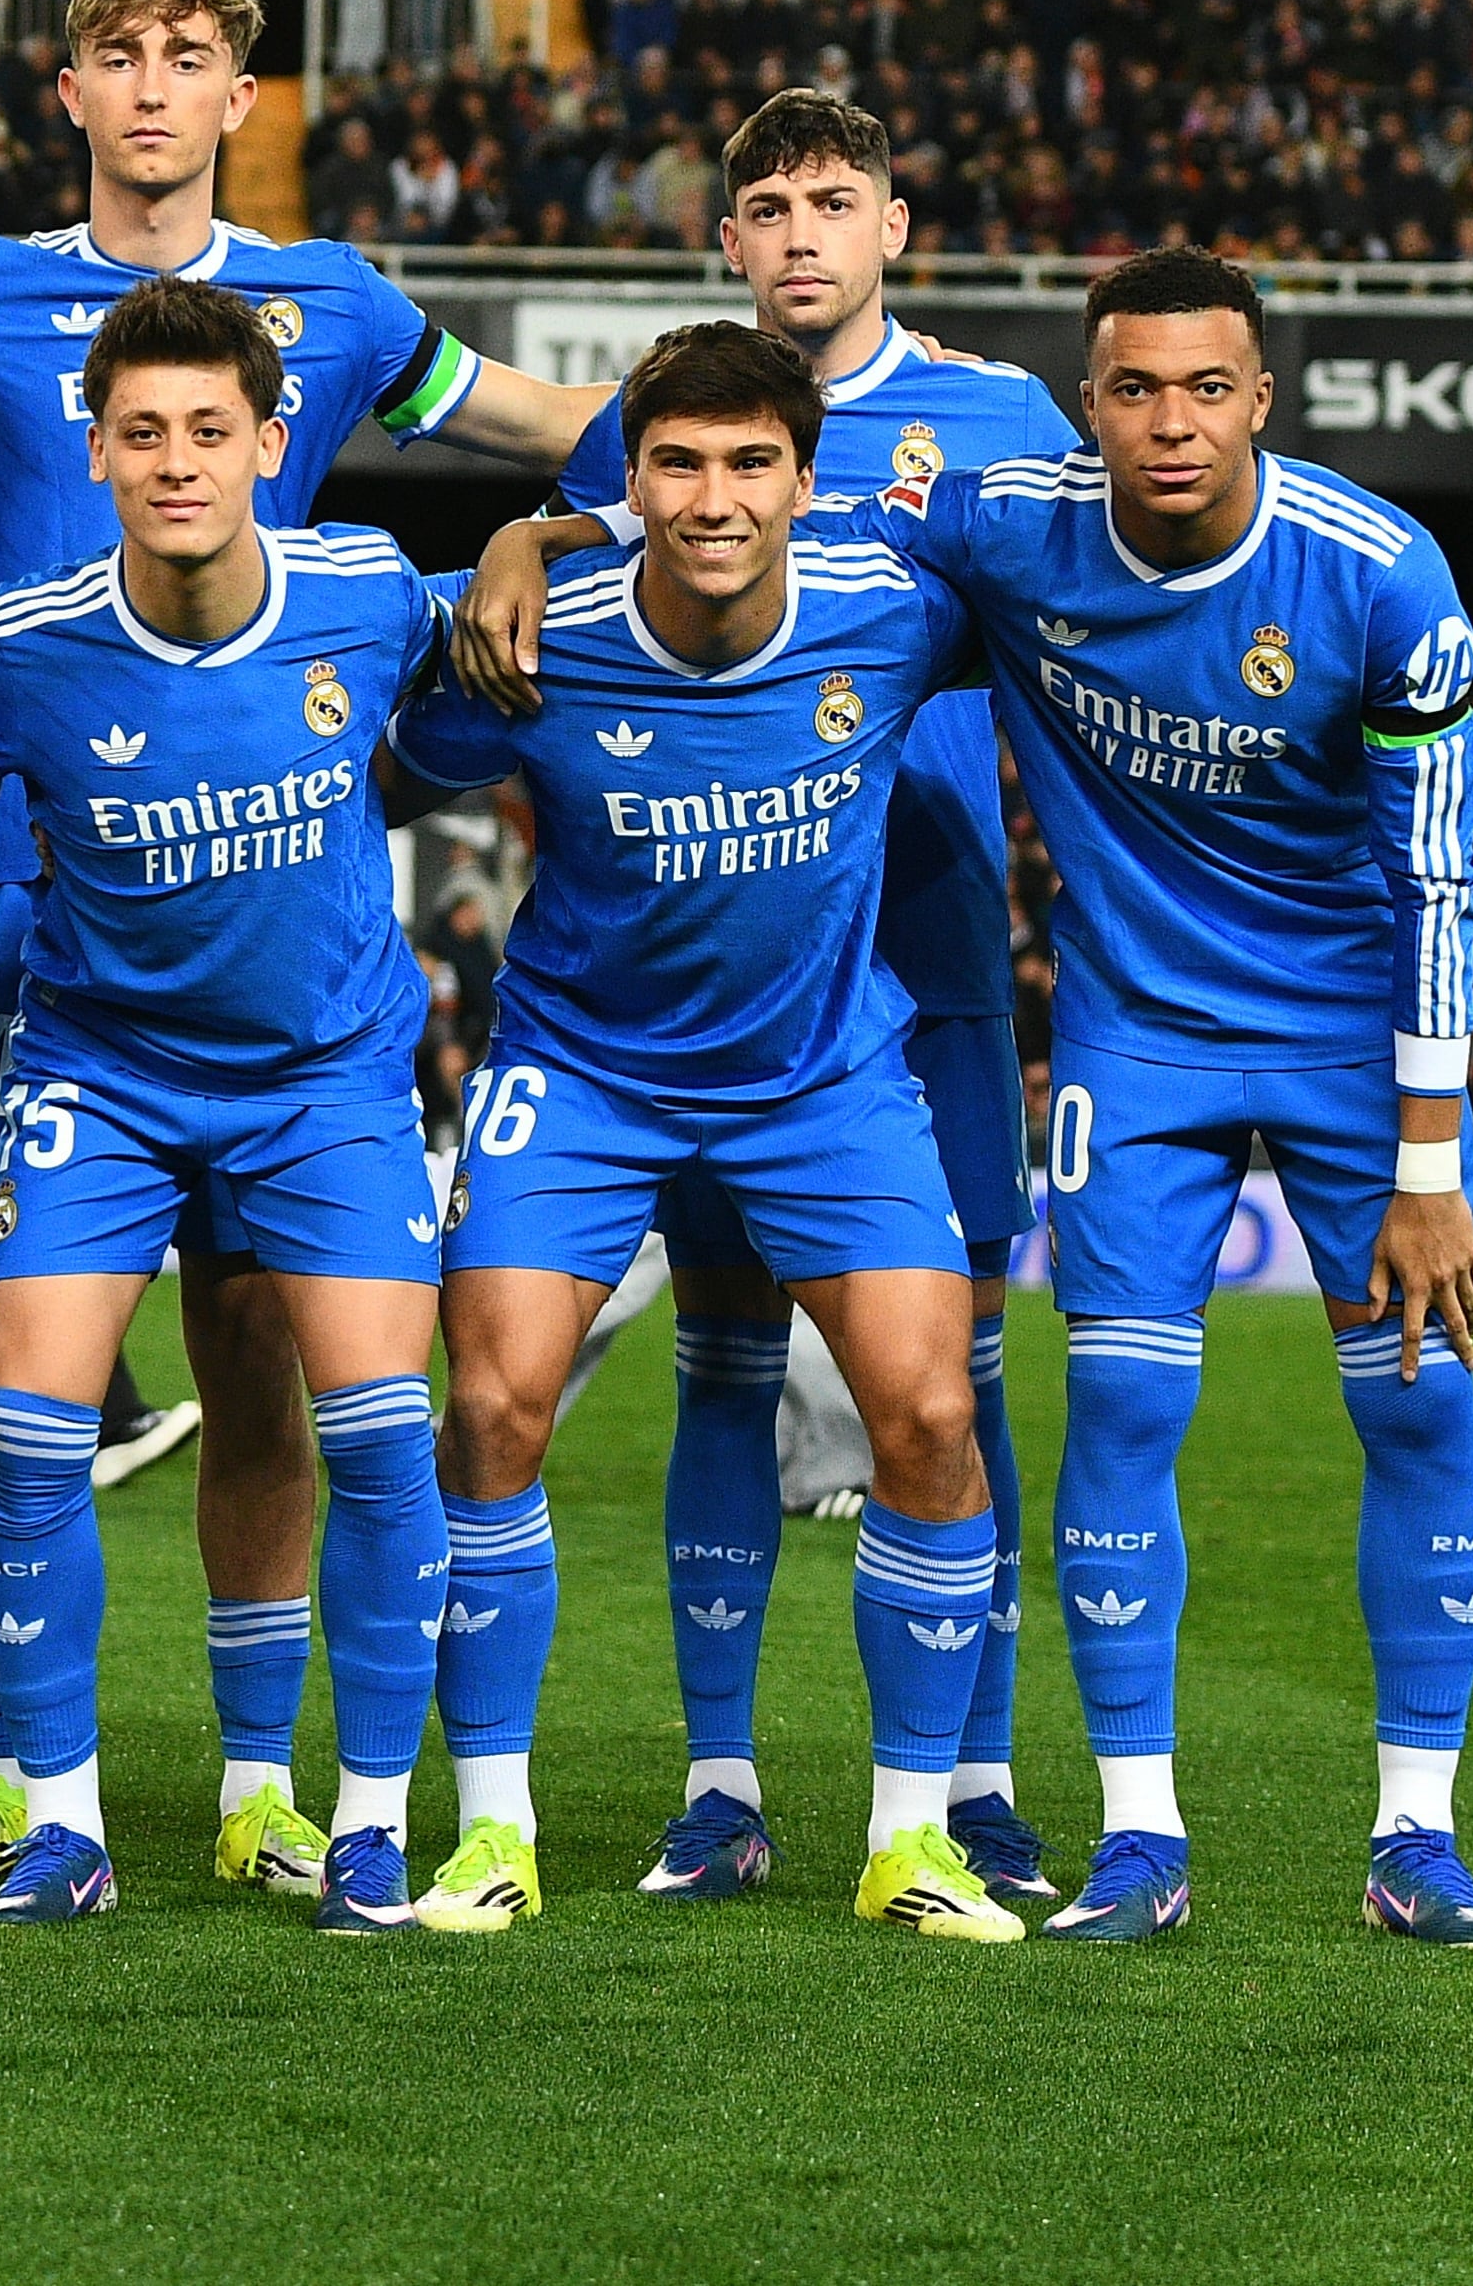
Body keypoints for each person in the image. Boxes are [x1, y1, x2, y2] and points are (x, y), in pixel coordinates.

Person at [0, 0, 607, 1892]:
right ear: (71, 91)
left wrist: (557, 523)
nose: (157, 87)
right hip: (1, 890)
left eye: (192, 57)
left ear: (241, 99)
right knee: (3, 1388)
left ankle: (266, 1781)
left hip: (245, 901)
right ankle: (21, 1777)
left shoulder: (327, 304)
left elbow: (563, 433)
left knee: (261, 1366)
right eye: (120, 55)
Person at [467, 246, 1473, 1948]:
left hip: (1353, 1049)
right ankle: (1138, 1836)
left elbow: (1438, 879)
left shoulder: (1378, 572)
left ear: (1262, 398)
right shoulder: (1006, 517)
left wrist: (1426, 1154)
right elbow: (736, 522)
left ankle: (1418, 1834)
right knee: (1114, 1415)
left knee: (1418, 1411)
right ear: (1080, 401)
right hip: (1135, 1036)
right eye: (1131, 388)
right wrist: (540, 531)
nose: (1166, 423)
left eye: (1203, 388)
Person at [388, 323, 1024, 1947]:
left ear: (806, 483)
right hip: (583, 1071)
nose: (714, 496)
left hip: (822, 1078)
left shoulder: (892, 606)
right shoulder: (540, 636)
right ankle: (490, 1828)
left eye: (751, 462)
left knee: (934, 1413)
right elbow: (399, 764)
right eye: (677, 462)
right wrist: (513, 551)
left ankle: (910, 1837)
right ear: (631, 478)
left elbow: (1076, 575)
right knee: (489, 1401)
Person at [526, 88, 1086, 1907]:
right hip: (726, 961)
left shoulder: (1000, 418)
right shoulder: (671, 409)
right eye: (764, 206)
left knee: (960, 1380)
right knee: (723, 1363)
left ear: (893, 226)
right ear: (728, 243)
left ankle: (975, 1778)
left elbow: (1078, 629)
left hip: (923, 953)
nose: (797, 235)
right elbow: (548, 573)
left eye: (830, 201)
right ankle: (719, 1782)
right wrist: (533, 539)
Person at [0, 277, 463, 1934]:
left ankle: (346, 1821)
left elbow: (505, 617)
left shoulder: (363, 595)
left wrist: (524, 545)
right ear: (97, 450)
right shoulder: (24, 638)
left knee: (367, 1439)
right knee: (35, 1438)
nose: (177, 461)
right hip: (101, 1079)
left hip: (322, 1085)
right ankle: (63, 1822)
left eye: (210, 430)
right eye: (141, 432)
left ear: (271, 443)